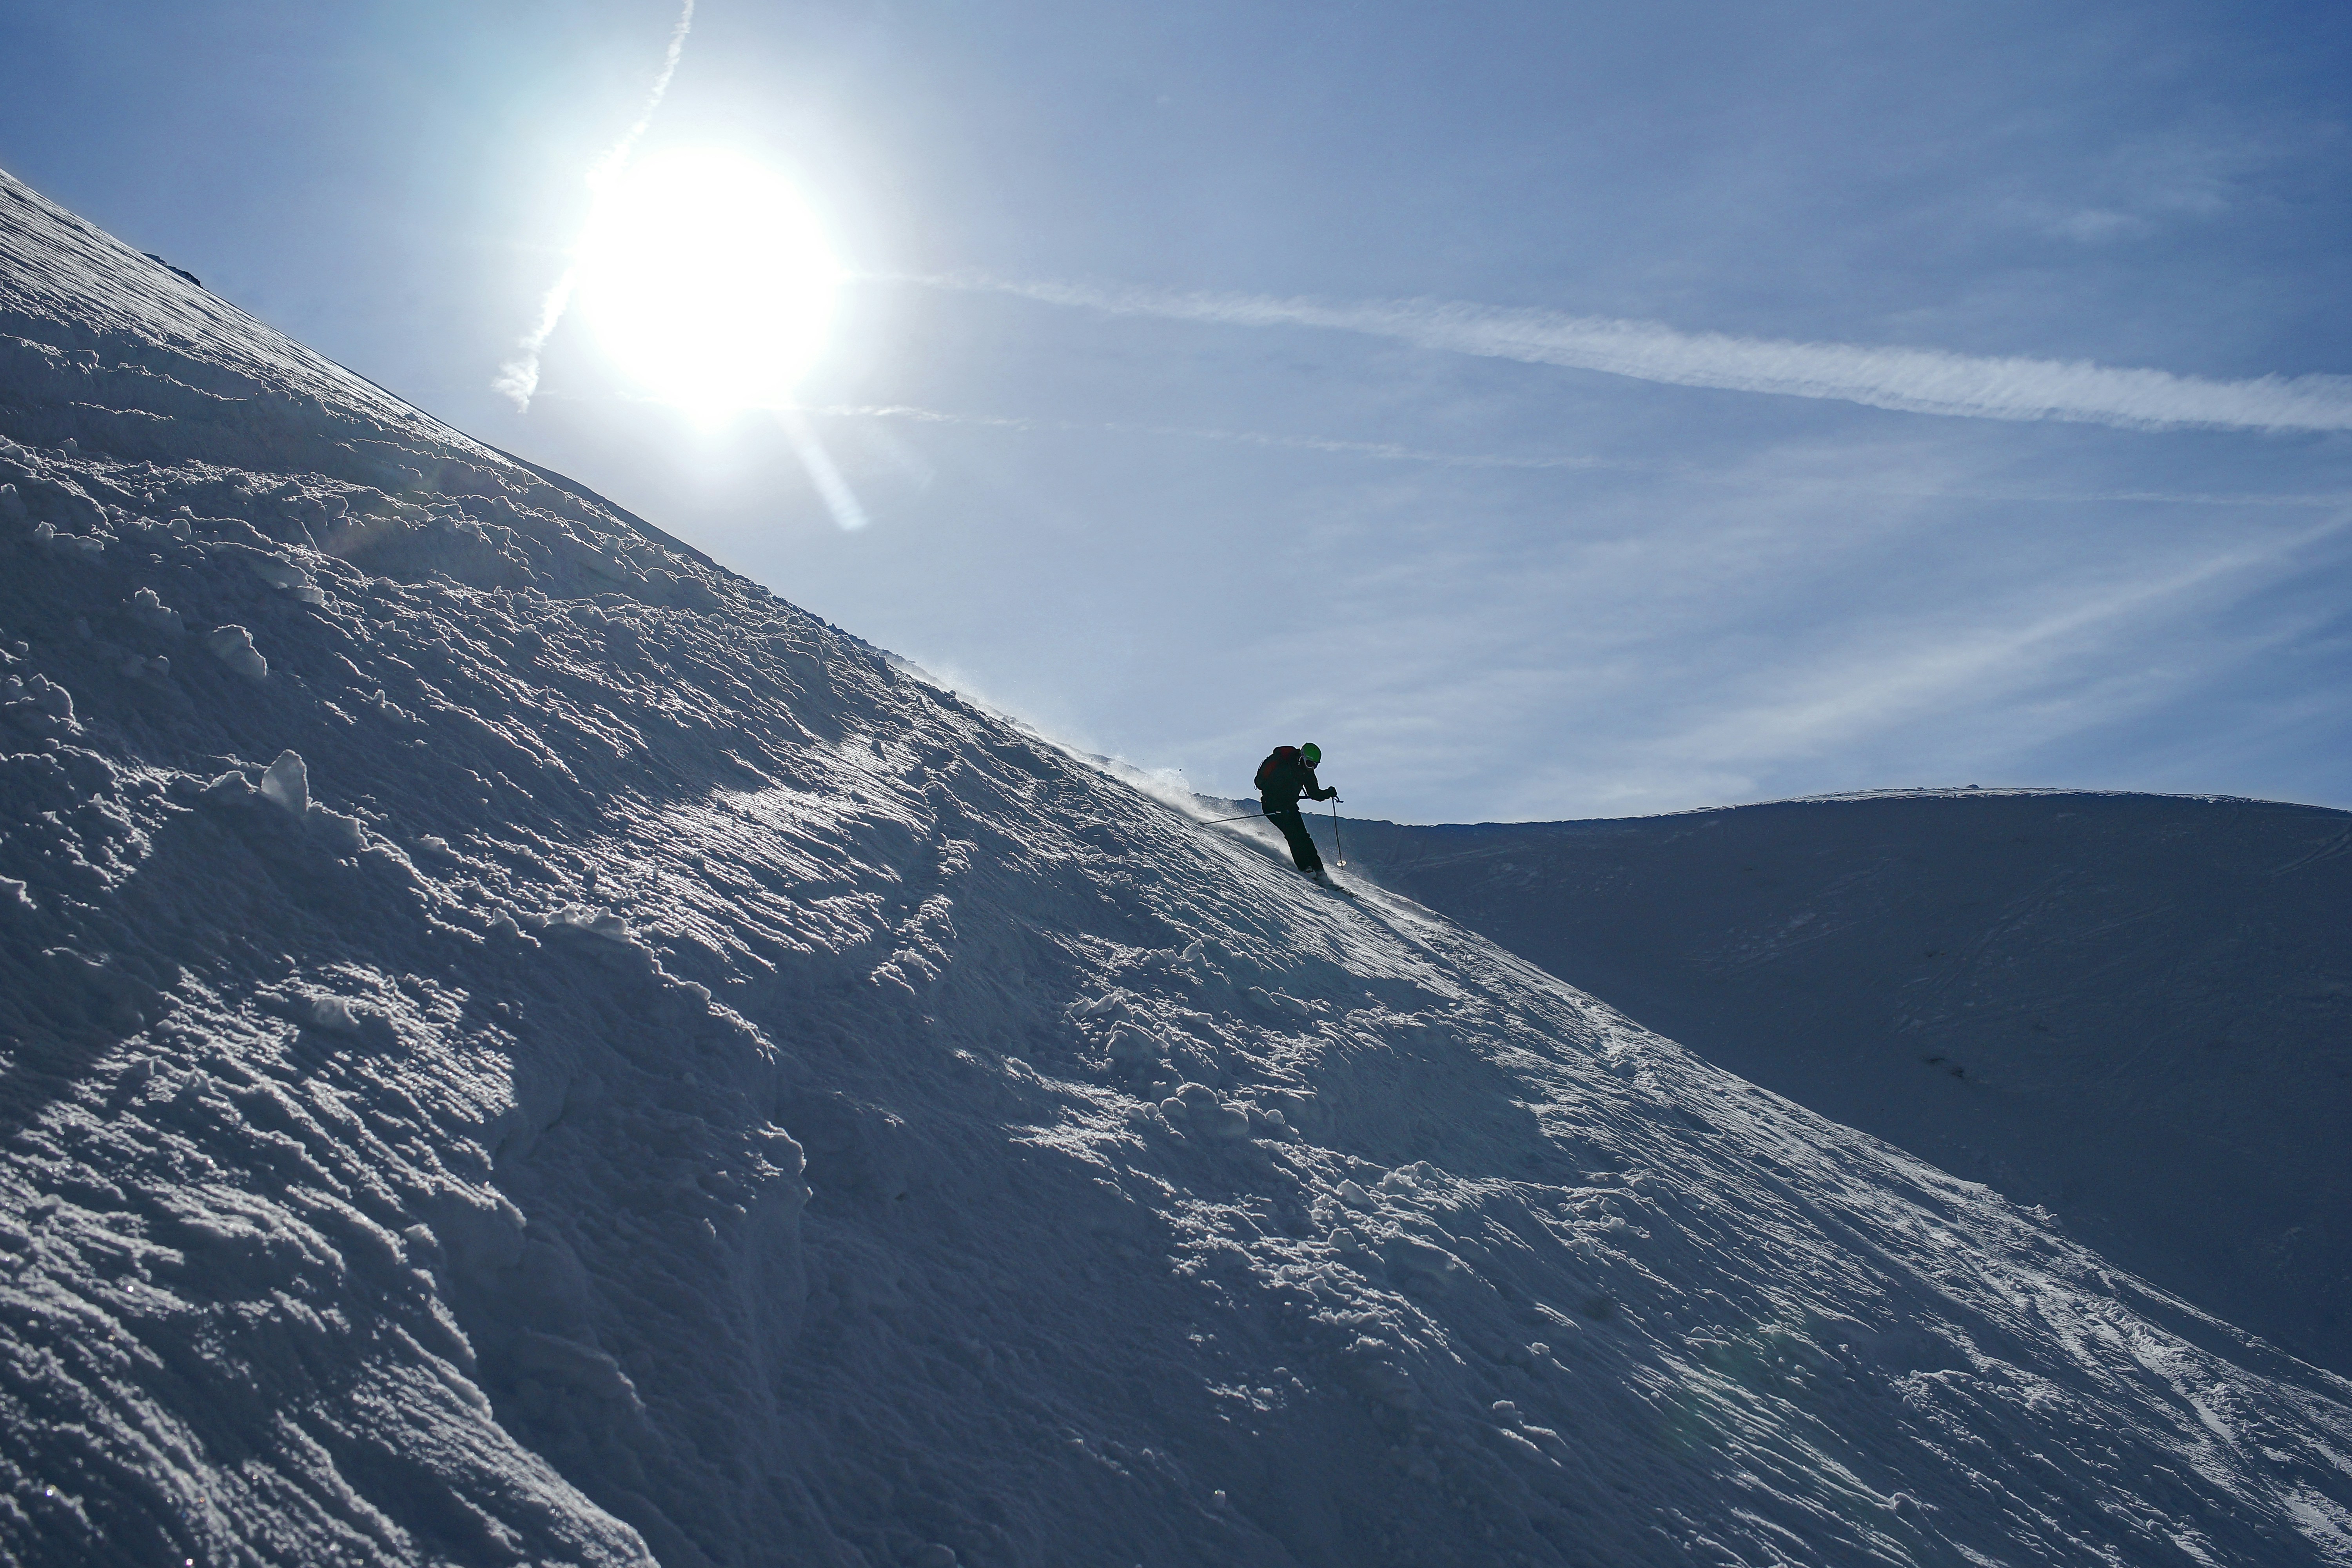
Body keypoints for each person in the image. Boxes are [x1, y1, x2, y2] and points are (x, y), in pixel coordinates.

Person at [1254, 741, 1337, 883]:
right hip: (1272, 807)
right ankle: (1305, 867)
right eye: (1310, 763)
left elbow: (1314, 793)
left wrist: (1328, 793)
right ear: (1302, 757)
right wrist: (1279, 802)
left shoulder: (1307, 773)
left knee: (1304, 837)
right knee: (1293, 835)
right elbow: (1266, 787)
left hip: (1290, 807)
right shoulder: (1283, 766)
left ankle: (1319, 869)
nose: (1312, 768)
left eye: (1315, 765)